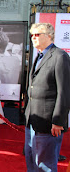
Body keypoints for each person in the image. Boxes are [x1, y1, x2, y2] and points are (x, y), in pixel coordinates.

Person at [25, 23, 70, 171]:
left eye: (37, 34)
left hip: (49, 125)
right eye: (32, 35)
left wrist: (58, 121)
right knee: (31, 160)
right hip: (33, 121)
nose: (33, 38)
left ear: (49, 35)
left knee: (45, 166)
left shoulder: (60, 56)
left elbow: (64, 92)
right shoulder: (39, 56)